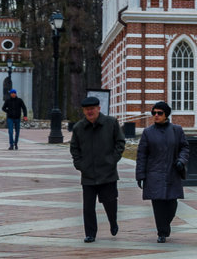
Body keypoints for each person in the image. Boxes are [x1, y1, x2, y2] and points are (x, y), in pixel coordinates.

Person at [69, 96, 125, 243]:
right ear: (83, 111)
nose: (90, 112)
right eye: (87, 110)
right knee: (88, 207)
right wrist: (79, 164)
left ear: (99, 109)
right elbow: (74, 148)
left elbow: (120, 142)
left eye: (92, 109)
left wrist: (112, 160)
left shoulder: (111, 123)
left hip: (108, 172)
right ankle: (90, 233)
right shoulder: (79, 128)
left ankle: (113, 222)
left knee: (110, 202)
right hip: (88, 173)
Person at [135, 101, 189, 244]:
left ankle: (165, 225)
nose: (156, 115)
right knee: (158, 205)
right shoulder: (148, 132)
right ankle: (161, 232)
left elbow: (185, 147)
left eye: (160, 113)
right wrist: (140, 175)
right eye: (154, 113)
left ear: (166, 115)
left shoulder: (177, 130)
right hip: (154, 174)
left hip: (172, 172)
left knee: (172, 204)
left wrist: (181, 161)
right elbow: (142, 155)